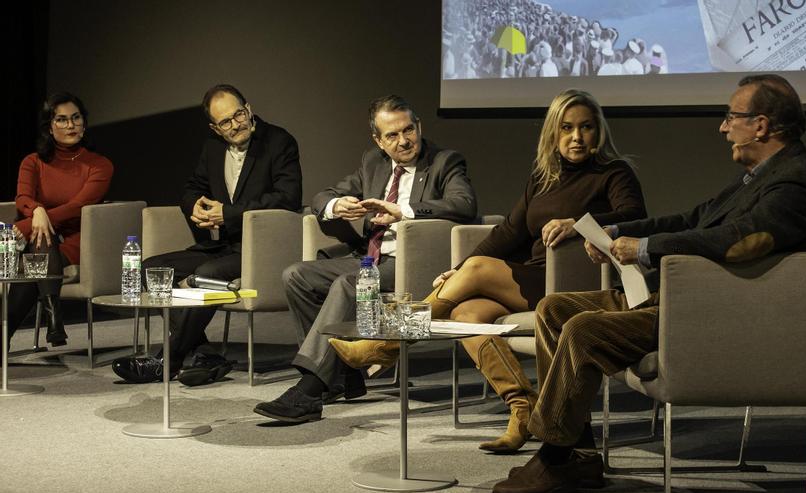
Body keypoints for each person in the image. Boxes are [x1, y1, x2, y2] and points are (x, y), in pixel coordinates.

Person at [492, 74, 806, 493]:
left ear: (760, 125)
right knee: (555, 309)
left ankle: (554, 456)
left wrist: (646, 249)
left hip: (716, 314)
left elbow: (740, 241)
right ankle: (578, 456)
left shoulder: (795, 181)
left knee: (582, 330)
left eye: (731, 117)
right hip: (686, 300)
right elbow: (692, 220)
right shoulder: (761, 177)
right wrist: (614, 232)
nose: (724, 128)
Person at [331, 89, 647, 453]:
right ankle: (521, 407)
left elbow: (634, 218)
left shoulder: (614, 173)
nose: (576, 137)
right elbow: (509, 232)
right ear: (553, 133)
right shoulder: (544, 177)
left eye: (586, 127)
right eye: (567, 128)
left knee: (478, 268)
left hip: (578, 283)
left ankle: (385, 344)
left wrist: (578, 223)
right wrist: (457, 271)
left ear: (598, 131)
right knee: (468, 314)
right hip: (534, 275)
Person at [252, 94, 478, 423]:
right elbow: (322, 196)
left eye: (408, 130)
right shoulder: (373, 162)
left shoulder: (445, 162)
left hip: (411, 266)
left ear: (419, 126)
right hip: (370, 259)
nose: (403, 141)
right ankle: (342, 375)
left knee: (349, 285)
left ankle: (312, 388)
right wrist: (336, 205)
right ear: (378, 140)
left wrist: (404, 212)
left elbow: (464, 204)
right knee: (297, 276)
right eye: (392, 135)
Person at [111, 84, 302, 386]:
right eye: (225, 121)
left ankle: (167, 359)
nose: (236, 124)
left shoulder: (278, 142)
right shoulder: (213, 148)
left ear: (248, 108)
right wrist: (195, 207)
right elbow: (192, 188)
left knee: (206, 274)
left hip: (261, 252)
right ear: (215, 127)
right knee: (150, 270)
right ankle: (204, 352)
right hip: (224, 246)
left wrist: (226, 213)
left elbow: (288, 197)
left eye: (239, 114)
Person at [5, 92, 113, 347]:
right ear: (50, 128)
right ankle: (54, 320)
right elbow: (22, 198)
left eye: (76, 118)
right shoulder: (32, 162)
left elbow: (78, 206)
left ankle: (2, 338)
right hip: (41, 240)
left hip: (79, 240)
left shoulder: (100, 165)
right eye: (62, 120)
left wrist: (29, 222)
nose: (70, 125)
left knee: (37, 250)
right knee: (41, 245)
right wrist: (38, 213)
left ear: (84, 123)